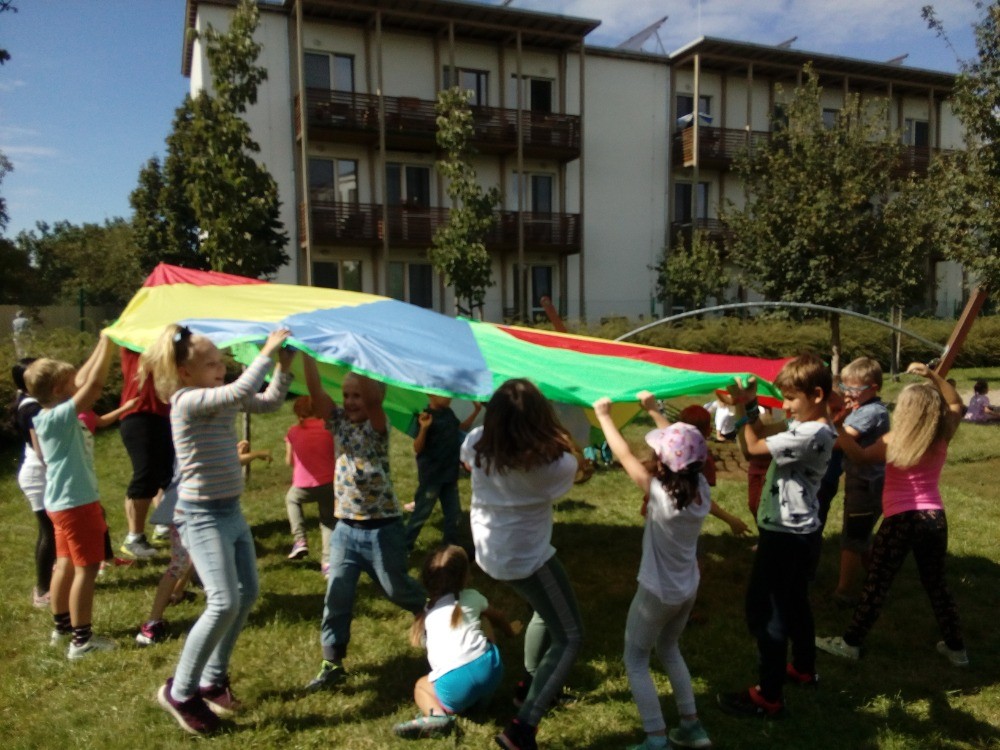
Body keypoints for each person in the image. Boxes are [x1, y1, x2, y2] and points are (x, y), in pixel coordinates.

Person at [143, 324, 294, 735]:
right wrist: (266, 352)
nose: (221, 367)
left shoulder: (217, 395)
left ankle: (212, 680)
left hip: (230, 511)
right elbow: (239, 391)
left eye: (221, 361)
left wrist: (283, 368)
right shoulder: (187, 401)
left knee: (247, 593)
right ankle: (181, 691)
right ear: (185, 373)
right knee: (224, 602)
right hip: (201, 516)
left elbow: (267, 401)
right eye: (211, 364)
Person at [816, 363, 968, 667]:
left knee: (877, 584)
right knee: (936, 585)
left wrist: (838, 427)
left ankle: (850, 644)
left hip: (900, 519)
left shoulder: (893, 440)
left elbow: (859, 456)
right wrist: (933, 376)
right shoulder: (941, 435)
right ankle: (957, 650)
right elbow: (955, 403)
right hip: (934, 518)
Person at [460, 378, 583, 750]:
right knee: (571, 636)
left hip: (490, 552)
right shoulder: (554, 464)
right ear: (541, 419)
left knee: (545, 610)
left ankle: (529, 685)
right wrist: (560, 435)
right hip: (527, 560)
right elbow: (575, 465)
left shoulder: (476, 442)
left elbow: (467, 460)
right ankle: (522, 729)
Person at [716, 354, 835, 719]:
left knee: (766, 611)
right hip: (800, 531)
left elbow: (751, 448)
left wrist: (741, 407)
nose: (785, 406)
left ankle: (768, 696)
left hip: (784, 533)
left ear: (817, 394)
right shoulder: (812, 426)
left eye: (791, 398)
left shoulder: (810, 433)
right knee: (795, 601)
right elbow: (763, 436)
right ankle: (803, 667)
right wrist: (750, 403)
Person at [594, 398, 713, 750]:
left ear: (663, 461)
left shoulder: (660, 495)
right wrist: (652, 409)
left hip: (658, 592)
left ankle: (656, 738)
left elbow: (624, 454)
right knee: (670, 648)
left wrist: (604, 416)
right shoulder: (702, 489)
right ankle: (691, 726)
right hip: (687, 588)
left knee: (635, 660)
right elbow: (682, 448)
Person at [302, 357, 426, 692]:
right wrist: (306, 355)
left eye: (356, 395)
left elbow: (372, 400)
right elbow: (316, 393)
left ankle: (433, 609)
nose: (350, 401)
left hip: (382, 528)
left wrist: (365, 355)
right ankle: (332, 662)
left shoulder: (376, 425)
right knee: (337, 595)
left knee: (396, 589)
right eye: (346, 395)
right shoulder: (338, 422)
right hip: (345, 529)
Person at [25, 334, 117, 659]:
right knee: (87, 569)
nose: (76, 382)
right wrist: (109, 346)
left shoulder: (46, 415)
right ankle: (82, 641)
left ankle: (62, 628)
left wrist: (103, 340)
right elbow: (93, 386)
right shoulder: (60, 416)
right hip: (77, 504)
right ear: (58, 390)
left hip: (60, 503)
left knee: (63, 564)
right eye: (69, 381)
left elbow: (82, 379)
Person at [137, 442, 272, 647]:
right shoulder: (195, 439)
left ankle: (177, 592)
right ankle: (152, 624)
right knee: (179, 563)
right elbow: (223, 463)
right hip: (185, 508)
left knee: (194, 555)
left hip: (197, 506)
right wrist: (256, 454)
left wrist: (236, 450)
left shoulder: (199, 438)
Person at [393, 544, 516, 740]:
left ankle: (437, 716)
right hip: (491, 671)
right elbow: (498, 617)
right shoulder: (473, 596)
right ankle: (481, 703)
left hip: (454, 685)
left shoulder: (428, 613)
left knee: (421, 686)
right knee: (484, 619)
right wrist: (510, 632)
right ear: (465, 576)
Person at [832, 357, 890, 605]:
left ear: (873, 388)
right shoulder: (862, 408)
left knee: (852, 538)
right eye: (844, 387)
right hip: (861, 481)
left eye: (853, 389)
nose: (847, 393)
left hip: (867, 485)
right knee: (861, 534)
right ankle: (878, 577)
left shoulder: (872, 412)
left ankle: (843, 592)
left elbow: (840, 441)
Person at [118, 348, 174, 559]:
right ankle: (134, 538)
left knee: (167, 474)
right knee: (146, 475)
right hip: (139, 414)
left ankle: (164, 525)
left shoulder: (171, 341)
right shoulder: (136, 340)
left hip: (163, 414)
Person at [404, 396, 481, 551]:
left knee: (454, 514)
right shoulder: (426, 417)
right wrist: (424, 428)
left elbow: (460, 429)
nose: (449, 397)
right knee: (421, 513)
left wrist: (476, 411)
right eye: (444, 394)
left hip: (449, 474)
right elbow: (417, 447)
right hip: (432, 476)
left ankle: (449, 547)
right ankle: (404, 546)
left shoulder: (449, 413)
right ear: (431, 394)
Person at [11, 357, 55, 608]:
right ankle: (43, 590)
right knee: (48, 530)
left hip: (38, 472)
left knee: (49, 529)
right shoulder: (32, 408)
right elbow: (41, 450)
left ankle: (52, 579)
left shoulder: (29, 403)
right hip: (38, 475)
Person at [283, 395, 336, 569]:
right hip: (329, 483)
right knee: (328, 521)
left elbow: (289, 461)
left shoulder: (293, 432)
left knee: (292, 500)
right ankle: (327, 563)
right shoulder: (329, 429)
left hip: (303, 485)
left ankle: (300, 540)